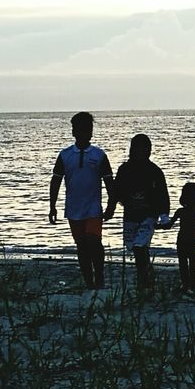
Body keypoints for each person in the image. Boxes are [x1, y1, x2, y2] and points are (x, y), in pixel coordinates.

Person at [49, 111, 115, 290]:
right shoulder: (65, 155)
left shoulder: (99, 155)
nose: (85, 133)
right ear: (73, 131)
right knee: (81, 246)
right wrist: (52, 206)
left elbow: (109, 181)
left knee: (93, 241)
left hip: (93, 208)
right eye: (80, 129)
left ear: (92, 132)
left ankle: (99, 276)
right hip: (73, 208)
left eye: (88, 129)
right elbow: (56, 180)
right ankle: (89, 281)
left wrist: (111, 204)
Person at [103, 134, 171, 291]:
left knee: (140, 247)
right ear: (131, 150)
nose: (140, 152)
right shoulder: (124, 169)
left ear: (149, 151)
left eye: (144, 149)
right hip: (130, 216)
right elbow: (116, 191)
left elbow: (163, 194)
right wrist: (111, 208)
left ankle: (144, 279)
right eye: (137, 149)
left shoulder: (155, 171)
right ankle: (147, 274)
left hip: (149, 216)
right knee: (135, 247)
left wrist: (164, 215)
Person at [163, 182, 195, 292]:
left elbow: (169, 226)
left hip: (181, 240)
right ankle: (192, 285)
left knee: (183, 264)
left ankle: (186, 284)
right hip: (192, 240)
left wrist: (157, 226)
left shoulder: (180, 211)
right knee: (193, 264)